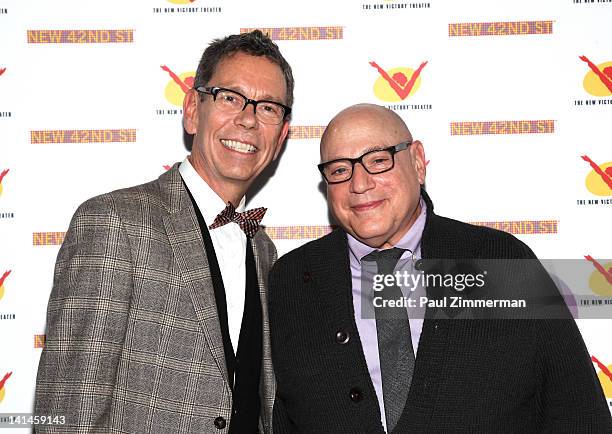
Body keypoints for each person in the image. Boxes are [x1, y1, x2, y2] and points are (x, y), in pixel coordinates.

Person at [269, 104, 611, 433]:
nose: (360, 184)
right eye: (340, 170)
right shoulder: (293, 281)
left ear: (418, 162)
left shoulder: (497, 260)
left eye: (378, 161)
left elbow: (578, 412)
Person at [35, 30, 293, 433]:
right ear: (192, 109)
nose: (247, 118)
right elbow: (71, 410)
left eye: (268, 108)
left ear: (280, 136)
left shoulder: (265, 252)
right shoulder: (113, 221)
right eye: (230, 97)